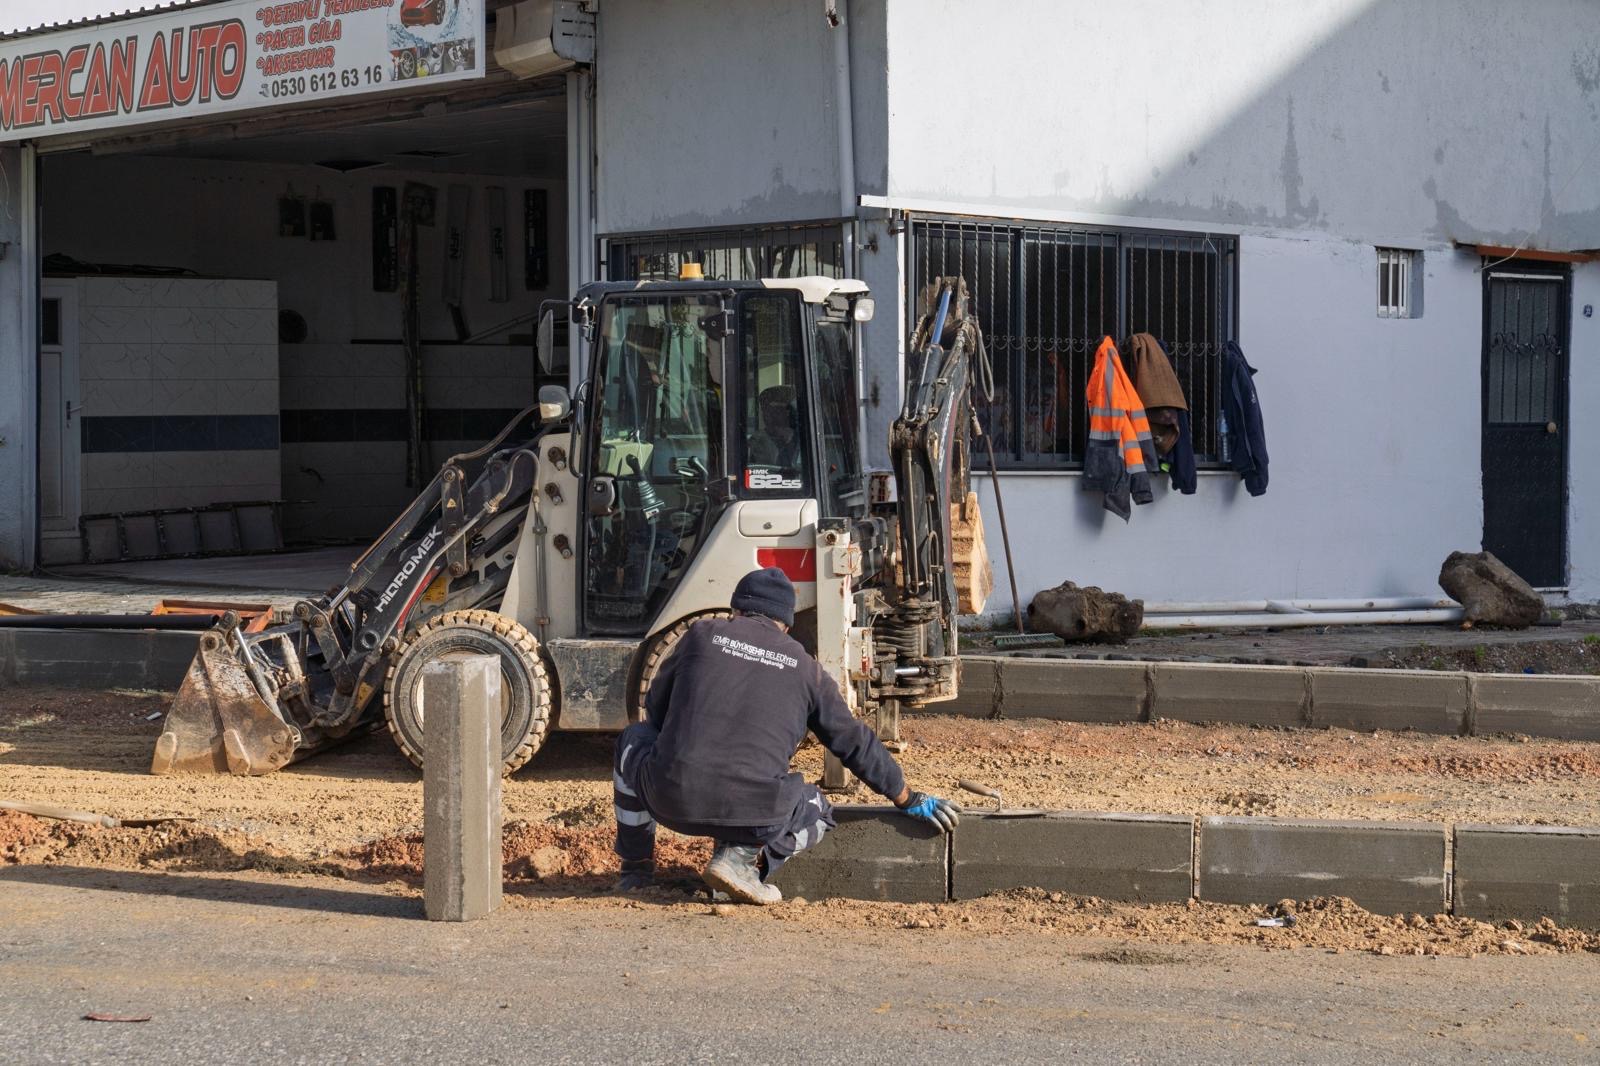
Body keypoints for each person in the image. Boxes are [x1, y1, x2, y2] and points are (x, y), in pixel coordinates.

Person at [611, 567, 961, 904]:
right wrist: (907, 796)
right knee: (818, 810)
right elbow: (853, 741)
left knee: (632, 740)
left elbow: (654, 712)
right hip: (756, 815)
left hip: (669, 800)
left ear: (736, 609)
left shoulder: (701, 635)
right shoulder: (807, 669)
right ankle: (743, 862)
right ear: (786, 626)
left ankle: (636, 872)